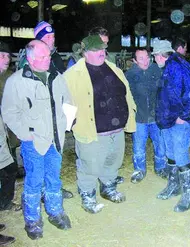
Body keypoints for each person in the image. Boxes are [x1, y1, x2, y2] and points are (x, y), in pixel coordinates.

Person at [1, 40, 72, 240]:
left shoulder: (57, 77)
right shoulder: (17, 81)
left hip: (55, 139)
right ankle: (32, 220)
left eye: (48, 56)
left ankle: (55, 212)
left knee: (54, 178)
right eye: (42, 57)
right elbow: (9, 112)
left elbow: (68, 101)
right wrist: (25, 133)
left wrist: (66, 123)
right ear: (30, 58)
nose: (47, 60)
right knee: (34, 180)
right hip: (33, 140)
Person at [64, 35, 136, 214]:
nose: (101, 53)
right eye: (96, 50)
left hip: (117, 129)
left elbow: (126, 93)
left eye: (103, 49)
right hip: (91, 130)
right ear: (85, 52)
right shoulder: (73, 75)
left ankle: (108, 187)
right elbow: (65, 102)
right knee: (90, 165)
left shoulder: (114, 69)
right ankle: (88, 195)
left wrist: (131, 112)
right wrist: (70, 124)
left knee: (113, 161)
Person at [153, 40, 190, 212]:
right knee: (170, 153)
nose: (155, 59)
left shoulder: (178, 66)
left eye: (155, 55)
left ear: (160, 55)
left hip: (178, 119)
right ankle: (174, 186)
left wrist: (184, 116)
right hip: (168, 118)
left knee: (180, 154)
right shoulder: (168, 67)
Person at [125, 48, 167, 183]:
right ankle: (139, 170)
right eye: (141, 58)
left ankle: (160, 167)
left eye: (147, 57)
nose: (145, 61)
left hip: (156, 117)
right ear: (134, 61)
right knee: (138, 146)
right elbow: (125, 96)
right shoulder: (129, 75)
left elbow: (164, 90)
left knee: (160, 145)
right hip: (139, 118)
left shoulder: (157, 70)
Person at [0, 41, 17, 246]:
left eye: (7, 56)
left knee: (9, 168)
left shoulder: (8, 77)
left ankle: (4, 203)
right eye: (2, 55)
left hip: (3, 133)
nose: (6, 59)